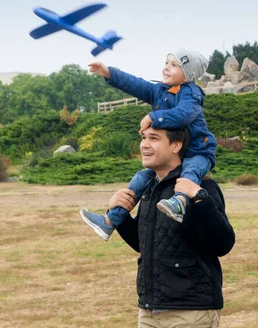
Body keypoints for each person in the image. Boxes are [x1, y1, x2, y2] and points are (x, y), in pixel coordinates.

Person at [80, 49, 217, 241]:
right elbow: (135, 84)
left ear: (188, 75)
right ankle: (110, 221)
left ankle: (180, 203)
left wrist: (153, 117)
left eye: (174, 65)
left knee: (190, 172)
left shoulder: (192, 93)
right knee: (140, 178)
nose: (167, 67)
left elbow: (184, 114)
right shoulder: (159, 91)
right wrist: (109, 73)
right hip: (174, 155)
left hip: (198, 151)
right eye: (167, 62)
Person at [105, 125, 235, 327]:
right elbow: (144, 244)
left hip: (190, 312)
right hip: (149, 311)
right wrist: (120, 214)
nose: (145, 145)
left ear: (176, 144)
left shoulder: (203, 187)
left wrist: (200, 199)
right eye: (143, 138)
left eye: (154, 138)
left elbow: (222, 245)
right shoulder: (149, 188)